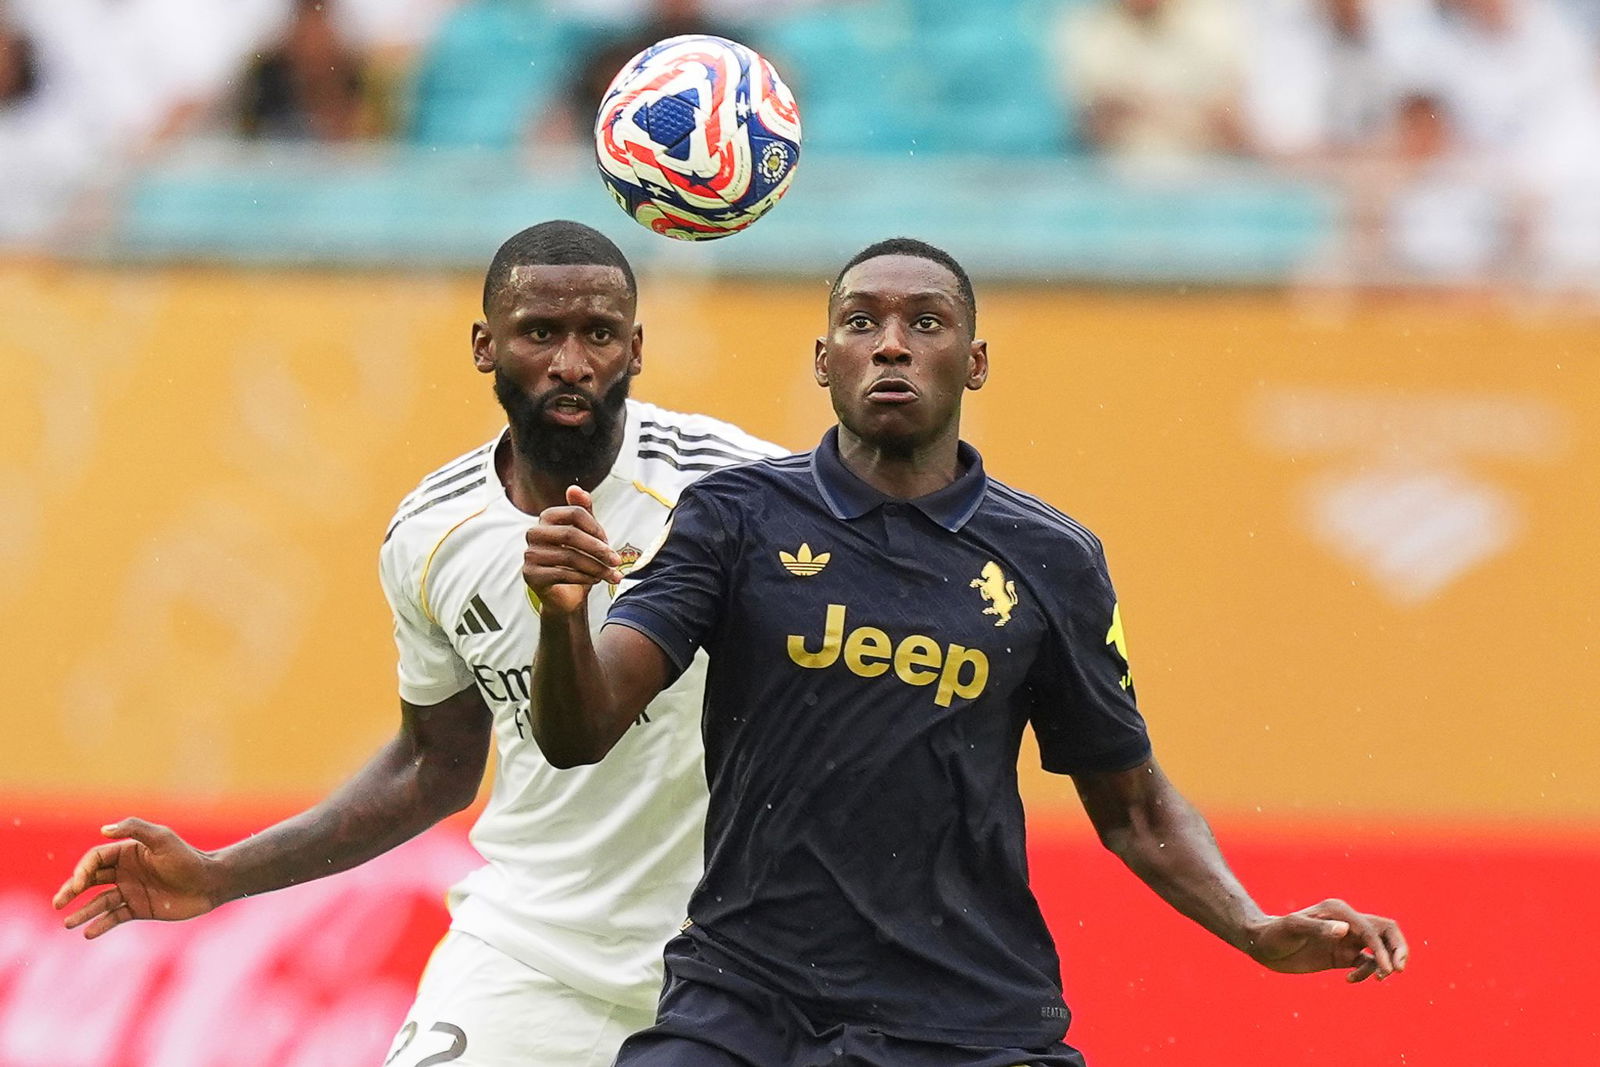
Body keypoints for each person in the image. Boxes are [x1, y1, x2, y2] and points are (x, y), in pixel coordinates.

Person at [522, 237, 1411, 1066]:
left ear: (975, 362)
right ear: (824, 360)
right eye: (862, 322)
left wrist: (1253, 926)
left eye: (927, 322)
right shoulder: (734, 517)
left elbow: (1132, 807)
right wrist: (562, 619)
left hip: (966, 1019)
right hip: (747, 1005)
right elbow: (580, 731)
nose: (892, 345)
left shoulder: (1053, 557)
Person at [52, 220, 787, 1067]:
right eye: (540, 333)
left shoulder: (738, 489)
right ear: (485, 345)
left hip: (733, 970)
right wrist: (222, 875)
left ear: (638, 347)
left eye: (599, 334)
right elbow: (431, 767)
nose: (572, 363)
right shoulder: (432, 532)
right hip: (529, 953)